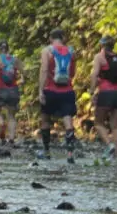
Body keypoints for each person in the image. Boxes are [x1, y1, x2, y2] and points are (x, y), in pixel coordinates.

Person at [36, 28, 79, 163]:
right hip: (67, 91)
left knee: (45, 119)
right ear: (63, 38)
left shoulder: (47, 51)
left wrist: (41, 90)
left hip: (50, 90)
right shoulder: (71, 52)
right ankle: (70, 154)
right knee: (68, 121)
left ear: (50, 39)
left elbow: (44, 70)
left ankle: (47, 151)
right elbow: (72, 73)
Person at [91, 36, 117, 161]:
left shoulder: (99, 57)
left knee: (98, 122)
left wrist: (92, 92)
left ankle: (110, 144)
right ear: (113, 45)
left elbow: (94, 74)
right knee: (115, 125)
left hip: (106, 93)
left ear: (101, 45)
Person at [0, 41, 22, 146]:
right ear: (8, 49)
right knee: (11, 115)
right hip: (13, 90)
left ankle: (1, 122)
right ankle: (12, 139)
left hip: (0, 89)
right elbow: (24, 72)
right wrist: (22, 80)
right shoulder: (15, 60)